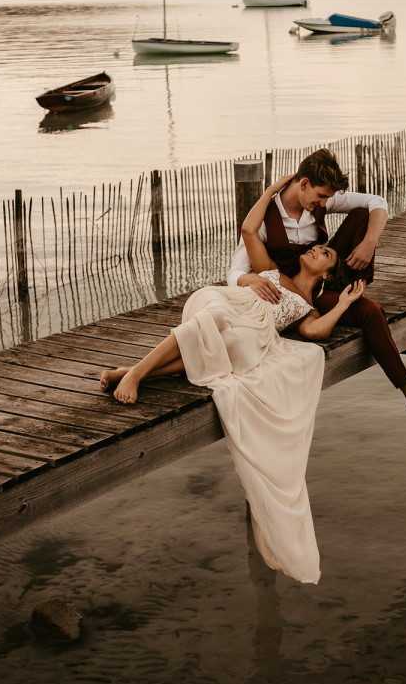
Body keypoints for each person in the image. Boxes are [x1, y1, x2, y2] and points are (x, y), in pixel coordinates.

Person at [100, 175, 365, 584]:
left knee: (236, 349)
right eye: (318, 245)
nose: (316, 248)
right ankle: (135, 372)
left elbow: (315, 334)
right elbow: (247, 229)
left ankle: (135, 371)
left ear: (328, 274)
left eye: (324, 252)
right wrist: (274, 190)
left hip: (252, 331)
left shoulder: (309, 305)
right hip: (226, 303)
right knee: (217, 320)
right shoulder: (270, 270)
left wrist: (345, 304)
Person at [227, 148, 406, 423]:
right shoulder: (267, 217)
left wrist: (369, 243)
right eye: (321, 196)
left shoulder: (322, 203)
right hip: (297, 296)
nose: (324, 203)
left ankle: (354, 287)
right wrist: (248, 278)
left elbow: (377, 201)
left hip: (323, 279)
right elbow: (235, 269)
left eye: (328, 198)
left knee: (361, 214)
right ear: (304, 184)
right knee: (371, 312)